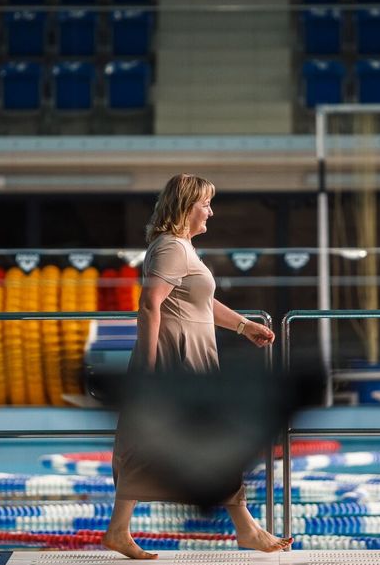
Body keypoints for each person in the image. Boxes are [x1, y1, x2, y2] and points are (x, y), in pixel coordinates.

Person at [102, 173, 293, 559]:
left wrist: (243, 326)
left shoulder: (181, 247)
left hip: (189, 355)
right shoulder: (171, 247)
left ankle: (119, 530)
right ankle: (246, 529)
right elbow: (150, 305)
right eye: (205, 204)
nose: (211, 211)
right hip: (175, 359)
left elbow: (199, 302)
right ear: (187, 207)